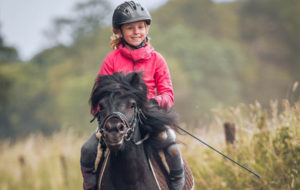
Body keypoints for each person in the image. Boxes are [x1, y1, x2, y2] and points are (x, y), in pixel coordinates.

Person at [80, 1, 185, 190]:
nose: (136, 32)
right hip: (116, 121)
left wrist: (154, 102)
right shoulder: (111, 60)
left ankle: (178, 185)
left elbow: (168, 94)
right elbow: (99, 94)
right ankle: (91, 186)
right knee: (87, 149)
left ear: (146, 28)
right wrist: (102, 112)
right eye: (130, 28)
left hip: (149, 118)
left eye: (140, 27)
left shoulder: (157, 60)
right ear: (119, 32)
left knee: (171, 146)